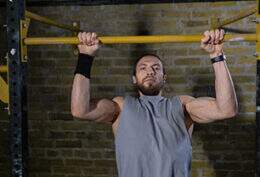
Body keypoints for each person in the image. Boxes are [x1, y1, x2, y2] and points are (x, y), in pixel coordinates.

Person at [71, 29, 238, 177]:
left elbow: (226, 110)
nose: (150, 71)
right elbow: (80, 110)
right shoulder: (121, 107)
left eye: (156, 68)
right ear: (134, 79)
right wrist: (86, 57)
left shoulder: (183, 105)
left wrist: (217, 55)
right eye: (143, 68)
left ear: (164, 78)